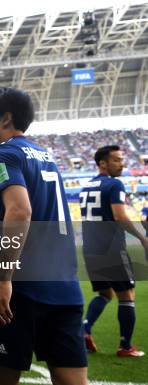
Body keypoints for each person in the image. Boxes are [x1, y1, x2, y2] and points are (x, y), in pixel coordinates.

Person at [0, 87, 88, 385]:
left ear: (5, 119)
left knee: (2, 378)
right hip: (65, 286)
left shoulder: (1, 153)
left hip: (22, 290)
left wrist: (2, 279)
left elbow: (20, 212)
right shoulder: (47, 157)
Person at [80, 145, 148, 357]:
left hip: (91, 249)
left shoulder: (87, 186)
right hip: (112, 249)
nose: (122, 163)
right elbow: (119, 216)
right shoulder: (114, 184)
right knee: (127, 296)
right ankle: (125, 346)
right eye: (117, 160)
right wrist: (143, 238)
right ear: (103, 163)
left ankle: (84, 330)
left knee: (105, 293)